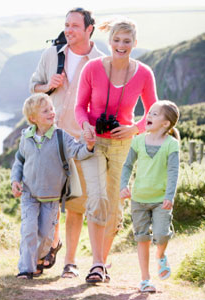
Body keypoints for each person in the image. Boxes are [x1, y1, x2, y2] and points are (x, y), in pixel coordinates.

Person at [75, 16, 158, 283]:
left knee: (113, 207)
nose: (121, 45)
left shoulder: (144, 73)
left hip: (124, 144)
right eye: (116, 40)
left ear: (134, 43)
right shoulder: (92, 69)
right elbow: (80, 108)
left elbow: (153, 113)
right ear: (109, 41)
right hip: (94, 143)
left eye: (126, 41)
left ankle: (101, 263)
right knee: (97, 199)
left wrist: (134, 128)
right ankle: (97, 264)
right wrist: (86, 127)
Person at [29, 8, 104, 278]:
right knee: (47, 200)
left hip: (79, 143)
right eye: (66, 25)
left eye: (74, 26)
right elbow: (34, 87)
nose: (69, 30)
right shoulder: (52, 55)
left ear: (89, 29)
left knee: (75, 204)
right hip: (49, 139)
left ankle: (69, 263)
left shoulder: (100, 62)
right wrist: (48, 85)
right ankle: (51, 244)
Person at [11, 93, 95, 279]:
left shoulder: (61, 137)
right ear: (33, 118)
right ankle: (26, 268)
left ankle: (40, 259)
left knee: (46, 235)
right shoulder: (27, 136)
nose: (51, 112)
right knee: (28, 229)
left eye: (51, 108)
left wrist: (88, 146)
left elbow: (77, 151)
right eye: (45, 110)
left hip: (51, 197)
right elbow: (19, 160)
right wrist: (15, 180)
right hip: (29, 194)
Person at [120, 100, 180, 292]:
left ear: (166, 123)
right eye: (149, 113)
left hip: (161, 200)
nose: (149, 116)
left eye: (155, 114)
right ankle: (145, 279)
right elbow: (128, 165)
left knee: (162, 235)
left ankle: (160, 256)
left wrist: (170, 196)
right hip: (138, 199)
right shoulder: (137, 140)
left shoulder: (171, 145)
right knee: (142, 238)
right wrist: (124, 185)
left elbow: (173, 172)